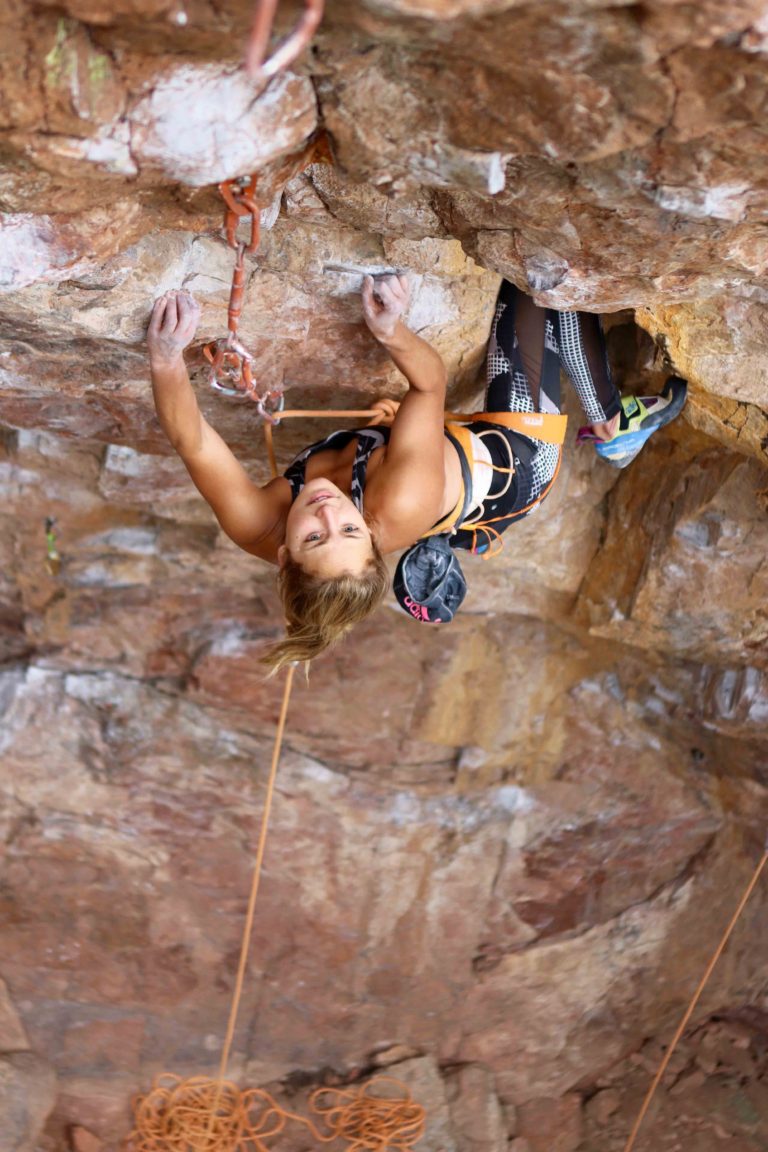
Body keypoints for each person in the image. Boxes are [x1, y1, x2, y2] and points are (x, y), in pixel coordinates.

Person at [147, 278, 686, 669]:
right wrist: (390, 330)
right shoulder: (401, 498)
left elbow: (192, 441)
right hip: (516, 459)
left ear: (284, 555)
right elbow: (428, 384)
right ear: (371, 536)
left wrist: (166, 358)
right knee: (539, 286)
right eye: (349, 530)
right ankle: (612, 426)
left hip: (440, 463)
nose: (328, 513)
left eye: (314, 537)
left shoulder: (255, 525)